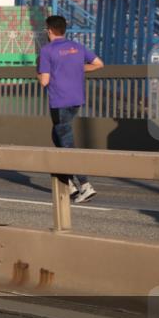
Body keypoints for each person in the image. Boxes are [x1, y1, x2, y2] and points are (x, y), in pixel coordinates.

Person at [37, 15, 103, 203]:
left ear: (49, 31)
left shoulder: (47, 51)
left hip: (59, 102)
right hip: (76, 100)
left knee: (66, 143)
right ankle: (69, 184)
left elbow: (44, 81)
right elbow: (99, 64)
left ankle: (85, 185)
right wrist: (79, 68)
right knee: (57, 136)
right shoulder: (77, 47)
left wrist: (37, 71)